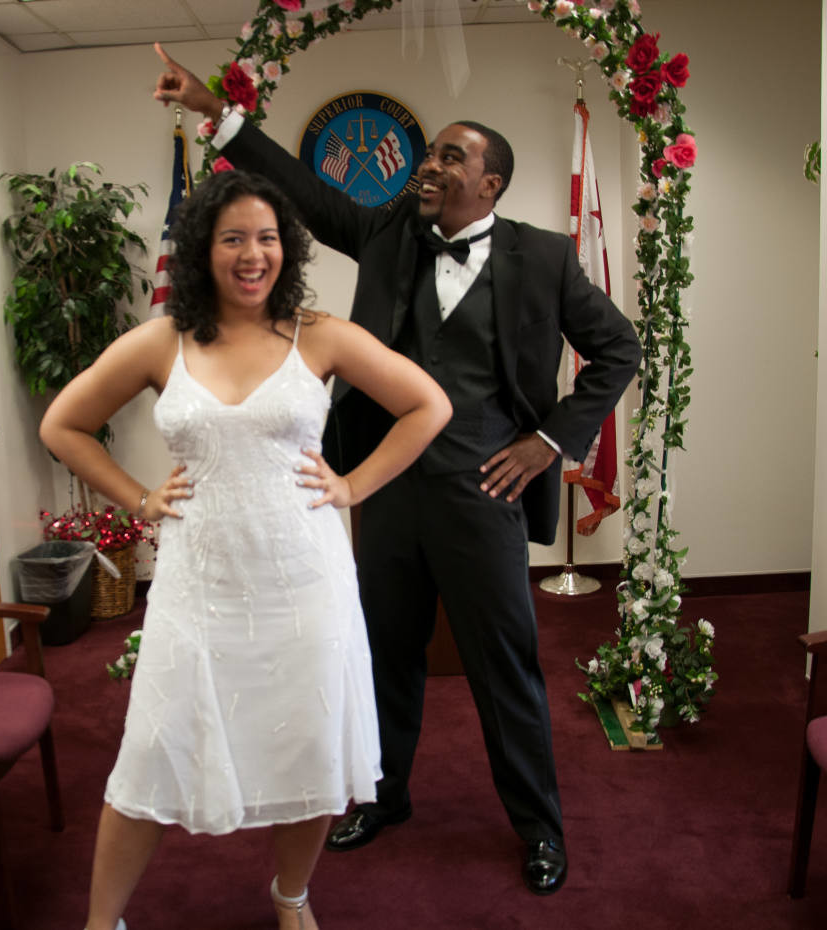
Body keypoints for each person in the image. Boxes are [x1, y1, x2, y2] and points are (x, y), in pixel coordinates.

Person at [153, 44, 642, 897]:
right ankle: (381, 798)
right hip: (381, 484)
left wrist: (550, 443)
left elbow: (617, 350)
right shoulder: (386, 233)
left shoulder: (546, 259)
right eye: (430, 151)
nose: (431, 164)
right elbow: (302, 191)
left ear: (490, 184)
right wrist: (215, 112)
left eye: (453, 156)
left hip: (484, 491)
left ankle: (538, 826)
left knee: (504, 664)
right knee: (382, 654)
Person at [40, 168, 451, 930]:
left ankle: (290, 895)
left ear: (285, 250)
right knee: (152, 751)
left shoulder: (318, 333)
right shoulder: (163, 340)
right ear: (204, 251)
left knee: (308, 748)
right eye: (233, 239)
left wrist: (354, 485)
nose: (251, 254)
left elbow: (429, 405)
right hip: (200, 585)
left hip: (304, 582)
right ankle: (103, 924)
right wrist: (138, 498)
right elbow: (62, 425)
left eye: (266, 238)